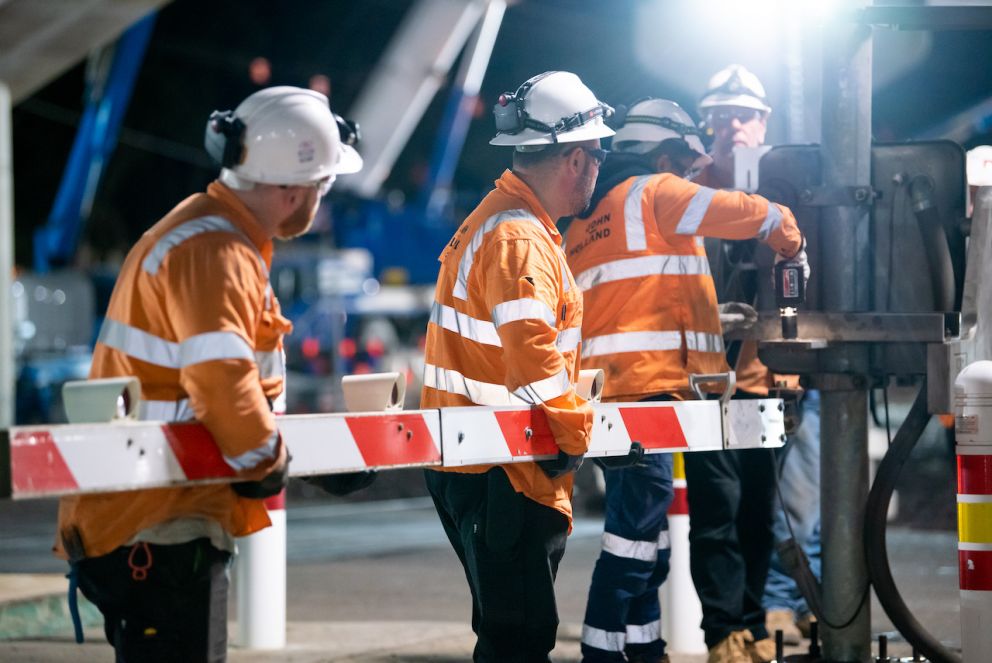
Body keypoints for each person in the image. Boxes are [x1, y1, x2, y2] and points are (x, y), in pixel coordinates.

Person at [54, 86, 362, 662]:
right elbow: (221, 382)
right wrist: (269, 464)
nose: (322, 200)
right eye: (324, 187)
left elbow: (227, 388)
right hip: (159, 522)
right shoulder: (218, 251)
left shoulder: (212, 236)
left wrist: (312, 463)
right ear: (295, 190)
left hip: (155, 515)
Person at [564, 97, 807, 663]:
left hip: (608, 400)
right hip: (653, 396)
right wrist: (793, 240)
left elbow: (632, 298)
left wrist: (701, 319)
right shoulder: (655, 191)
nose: (691, 174)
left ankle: (647, 653)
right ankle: (602, 653)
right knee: (633, 548)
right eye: (687, 164)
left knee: (649, 546)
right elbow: (750, 213)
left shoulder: (581, 222)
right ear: (664, 154)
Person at [421, 70, 611, 663]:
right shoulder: (519, 236)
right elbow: (532, 353)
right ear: (576, 159)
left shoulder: (504, 220)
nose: (599, 168)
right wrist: (576, 431)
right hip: (505, 467)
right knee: (519, 640)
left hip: (482, 459)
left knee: (509, 633)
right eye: (598, 154)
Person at [696, 64, 823, 649]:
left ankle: (749, 624)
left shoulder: (782, 185)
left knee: (758, 511)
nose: (731, 127)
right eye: (720, 117)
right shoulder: (691, 189)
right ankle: (726, 630)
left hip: (764, 379)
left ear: (763, 121)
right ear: (706, 124)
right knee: (717, 512)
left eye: (742, 115)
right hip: (704, 382)